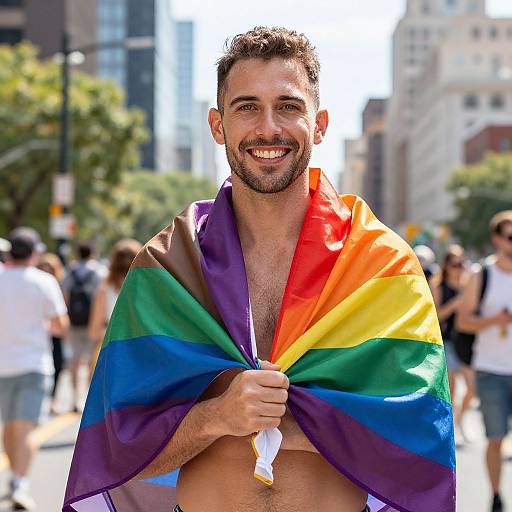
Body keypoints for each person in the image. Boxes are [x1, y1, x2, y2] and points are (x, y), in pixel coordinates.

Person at [64, 27, 454, 512]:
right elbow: (120, 451)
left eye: (289, 106)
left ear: (321, 124)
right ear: (217, 125)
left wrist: (296, 421)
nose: (268, 128)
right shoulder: (170, 268)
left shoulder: (380, 265)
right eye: (247, 106)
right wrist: (217, 417)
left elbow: (422, 436)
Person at [0, 228, 68, 510]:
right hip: (34, 364)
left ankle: (15, 481)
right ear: (33, 253)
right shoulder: (44, 281)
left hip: (3, 364)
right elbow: (60, 326)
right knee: (26, 428)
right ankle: (20, 483)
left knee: (9, 427)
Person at [458, 210, 512, 512]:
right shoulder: (482, 275)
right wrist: (495, 320)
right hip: (491, 370)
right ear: (497, 239)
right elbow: (464, 322)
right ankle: (495, 494)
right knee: (495, 438)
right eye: (510, 235)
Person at [431, 245, 473, 444]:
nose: (458, 267)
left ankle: (459, 421)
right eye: (455, 263)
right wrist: (455, 304)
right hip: (446, 340)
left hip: (466, 342)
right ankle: (451, 429)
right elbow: (436, 315)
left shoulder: (468, 285)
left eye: (461, 263)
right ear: (447, 265)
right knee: (453, 388)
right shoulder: (439, 286)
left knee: (472, 388)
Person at [61, 241, 105, 411]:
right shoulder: (98, 271)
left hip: (74, 321)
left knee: (75, 360)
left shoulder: (69, 271)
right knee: (90, 361)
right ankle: (87, 398)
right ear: (92, 252)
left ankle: (74, 398)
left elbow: (64, 296)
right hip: (92, 323)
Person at [88, 239, 141, 374]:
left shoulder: (104, 290)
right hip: (139, 352)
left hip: (110, 351)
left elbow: (94, 331)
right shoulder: (146, 289)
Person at [37, 253, 67, 415]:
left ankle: (53, 398)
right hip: (41, 334)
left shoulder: (59, 285)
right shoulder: (39, 284)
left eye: (49, 268)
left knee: (57, 365)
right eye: (43, 268)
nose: (46, 271)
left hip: (54, 334)